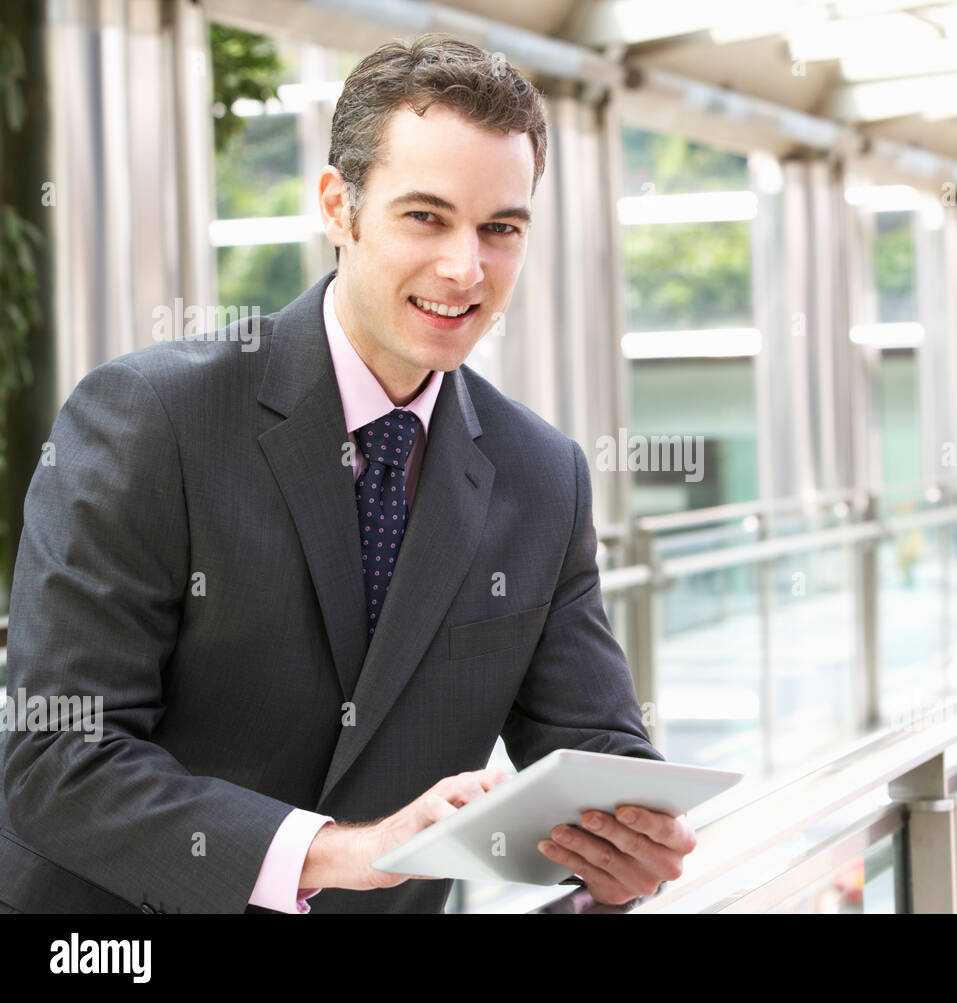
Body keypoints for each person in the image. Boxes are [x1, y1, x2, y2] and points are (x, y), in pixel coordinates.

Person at [0, 33, 695, 914]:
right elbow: (60, 757)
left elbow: (591, 740)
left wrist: (629, 838)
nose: (464, 267)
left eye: (500, 228)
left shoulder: (541, 474)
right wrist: (337, 852)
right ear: (339, 205)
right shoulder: (151, 419)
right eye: (425, 216)